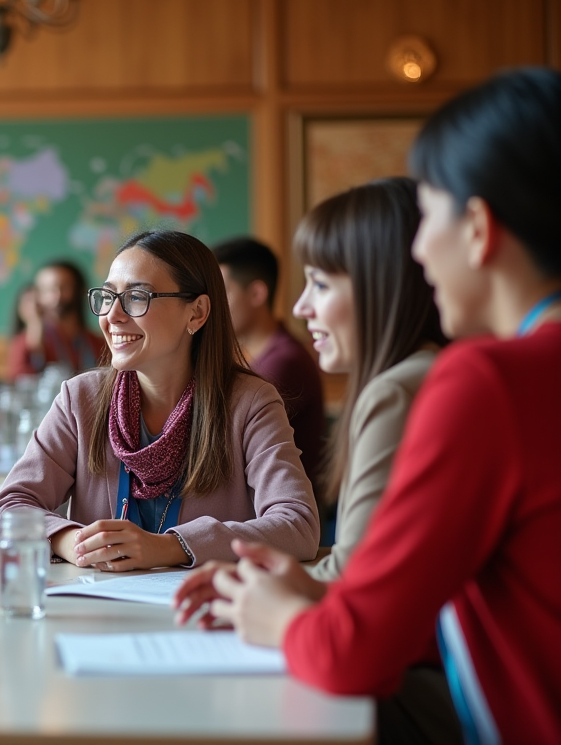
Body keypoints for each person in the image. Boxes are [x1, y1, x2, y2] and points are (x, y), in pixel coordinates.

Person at [174, 67, 561, 744]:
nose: (418, 249)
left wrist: (280, 618)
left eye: (430, 215)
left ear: (477, 227)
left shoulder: (489, 382)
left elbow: (352, 653)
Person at [0, 230, 319, 569]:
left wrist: (170, 547)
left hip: (203, 613)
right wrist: (70, 540)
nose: (112, 316)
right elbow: (5, 508)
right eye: (108, 296)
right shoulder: (80, 398)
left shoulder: (250, 404)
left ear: (197, 313)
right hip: (95, 614)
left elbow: (298, 526)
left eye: (136, 297)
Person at [292, 178, 446, 581]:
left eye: (320, 284)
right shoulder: (432, 370)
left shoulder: (396, 391)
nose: (300, 306)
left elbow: (356, 575)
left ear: (384, 285)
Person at [213, 237, 326, 504]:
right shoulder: (255, 357)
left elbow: (222, 446)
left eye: (222, 293)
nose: (212, 306)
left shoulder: (284, 362)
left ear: (256, 294)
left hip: (286, 513)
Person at [7, 260, 109, 378]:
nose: (56, 296)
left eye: (64, 287)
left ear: (80, 291)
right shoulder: (25, 345)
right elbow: (19, 386)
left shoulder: (100, 344)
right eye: (46, 290)